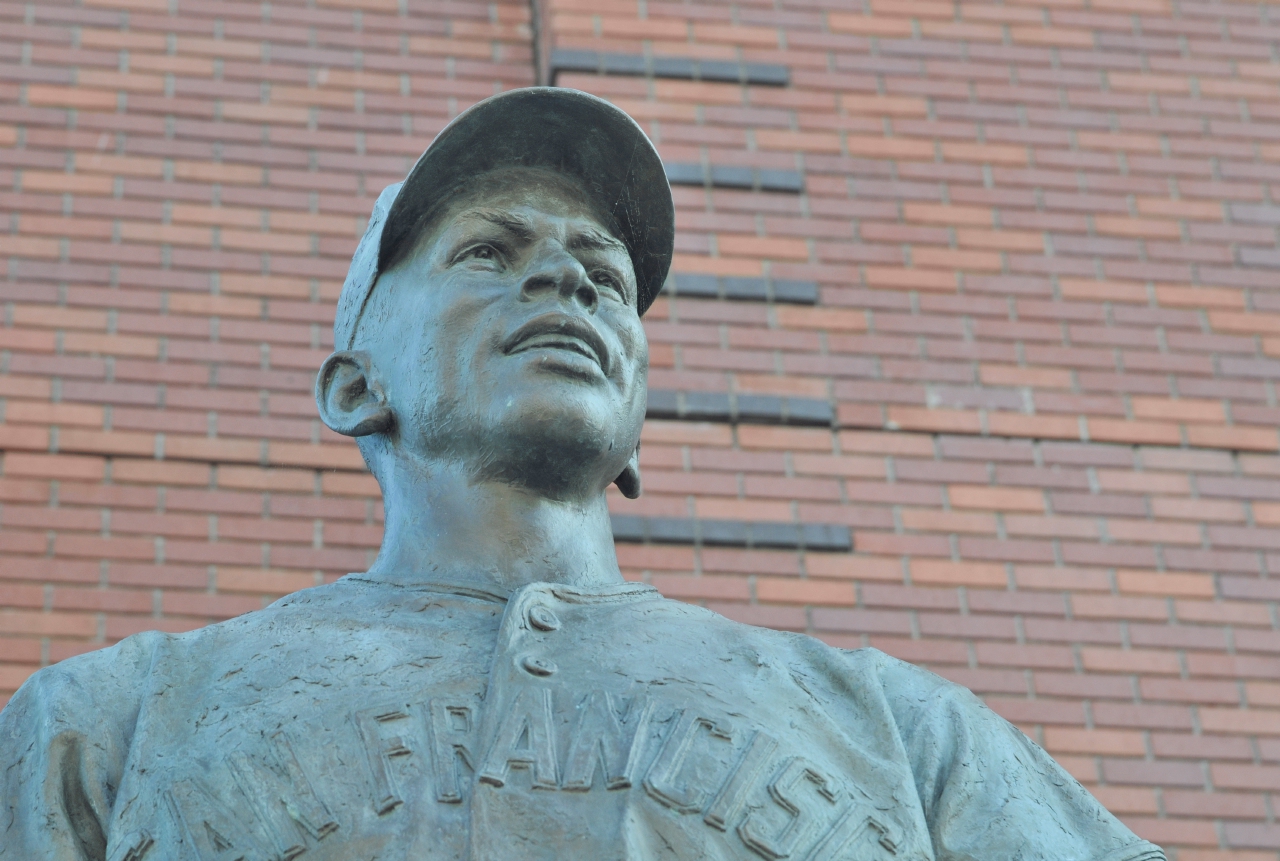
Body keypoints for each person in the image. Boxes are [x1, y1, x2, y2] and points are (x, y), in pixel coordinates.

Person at [0, 88, 1165, 861]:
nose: (567, 282)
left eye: (603, 277)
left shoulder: (898, 732)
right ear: (354, 386)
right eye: (487, 253)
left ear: (635, 426)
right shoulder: (107, 725)